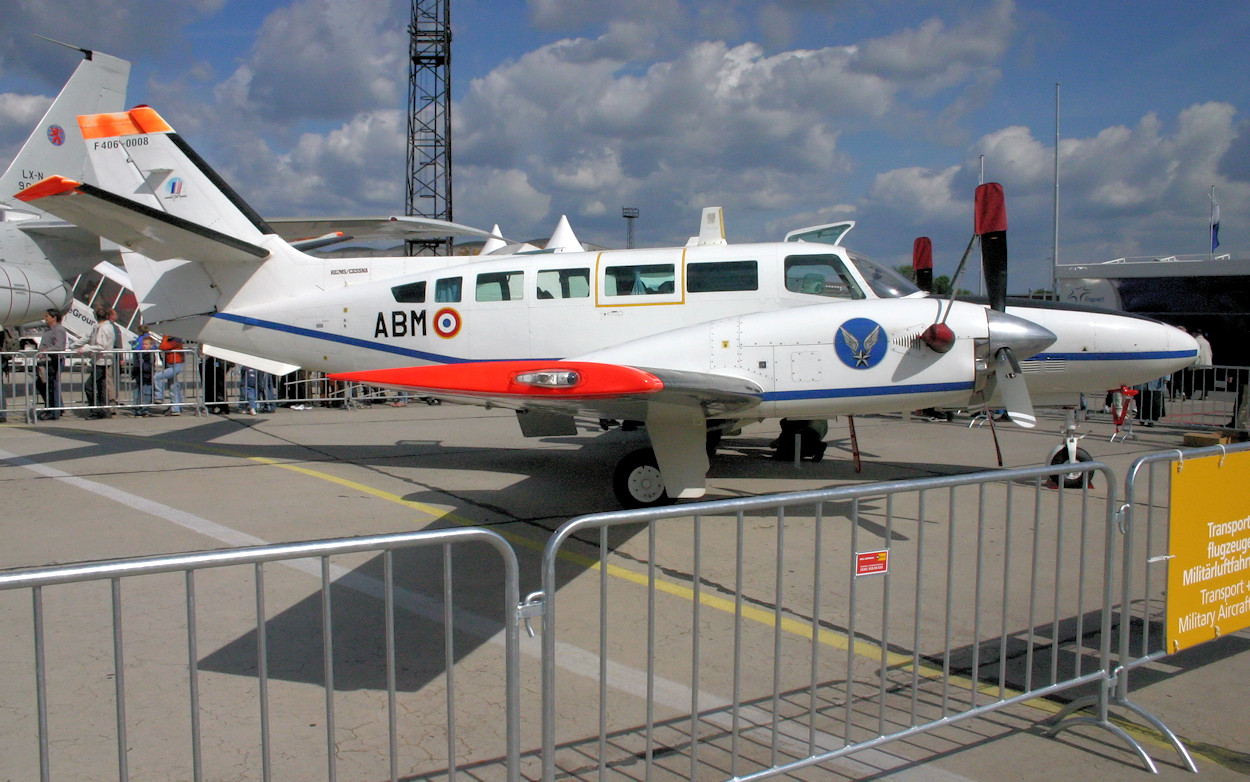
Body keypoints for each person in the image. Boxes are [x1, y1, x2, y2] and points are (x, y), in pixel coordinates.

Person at [71, 305, 121, 419]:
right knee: (101, 386)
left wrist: (85, 348)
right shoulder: (98, 327)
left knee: (90, 386)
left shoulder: (104, 328)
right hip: (99, 360)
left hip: (102, 361)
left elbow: (101, 345)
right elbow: (88, 337)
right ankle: (104, 410)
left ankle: (96, 410)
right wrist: (73, 345)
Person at [35, 309, 67, 419]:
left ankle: (54, 411)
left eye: (47, 316)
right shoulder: (49, 330)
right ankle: (56, 407)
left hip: (53, 361)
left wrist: (46, 350)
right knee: (43, 385)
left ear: (54, 317)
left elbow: (59, 347)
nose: (45, 318)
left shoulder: (58, 330)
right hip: (45, 362)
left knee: (52, 386)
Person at [154, 333, 185, 415]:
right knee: (173, 386)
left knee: (157, 377)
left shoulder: (176, 339)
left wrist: (165, 336)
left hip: (175, 364)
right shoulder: (171, 339)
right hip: (170, 364)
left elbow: (163, 347)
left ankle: (159, 396)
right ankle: (176, 408)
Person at [129, 331, 158, 416]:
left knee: (146, 392)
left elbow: (149, 366)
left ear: (151, 346)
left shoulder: (150, 355)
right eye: (143, 344)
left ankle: (144, 409)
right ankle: (136, 408)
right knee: (136, 392)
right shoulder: (139, 353)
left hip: (147, 376)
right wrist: (134, 372)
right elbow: (136, 364)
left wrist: (142, 365)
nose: (144, 346)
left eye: (146, 344)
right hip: (139, 375)